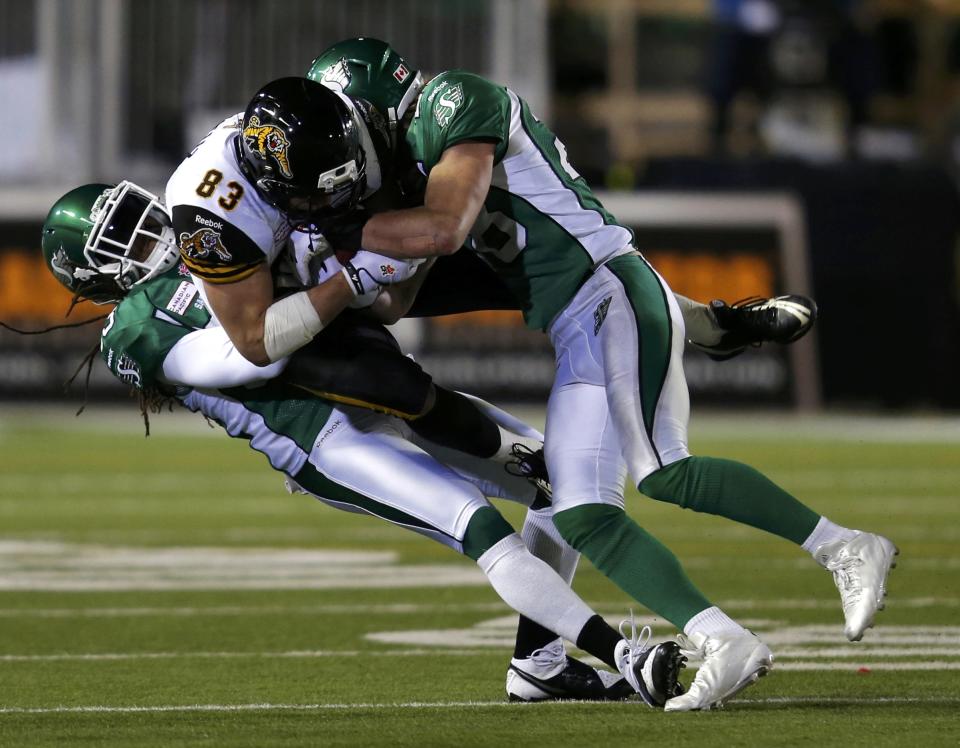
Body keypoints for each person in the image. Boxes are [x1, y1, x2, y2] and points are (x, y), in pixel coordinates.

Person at [289, 39, 898, 711]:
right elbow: (398, 299)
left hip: (608, 292)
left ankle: (843, 546)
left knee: (665, 470)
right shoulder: (408, 173)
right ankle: (723, 639)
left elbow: (442, 230)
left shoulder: (453, 101)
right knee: (579, 511)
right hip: (578, 324)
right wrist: (334, 273)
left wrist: (348, 227)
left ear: (369, 109)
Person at [39, 180, 688, 707]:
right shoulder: (134, 330)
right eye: (132, 236)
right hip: (328, 439)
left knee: (557, 479)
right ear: (98, 274)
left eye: (145, 217)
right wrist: (339, 281)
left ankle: (540, 664)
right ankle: (622, 655)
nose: (157, 231)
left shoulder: (217, 243)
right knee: (485, 531)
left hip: (382, 389)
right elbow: (251, 354)